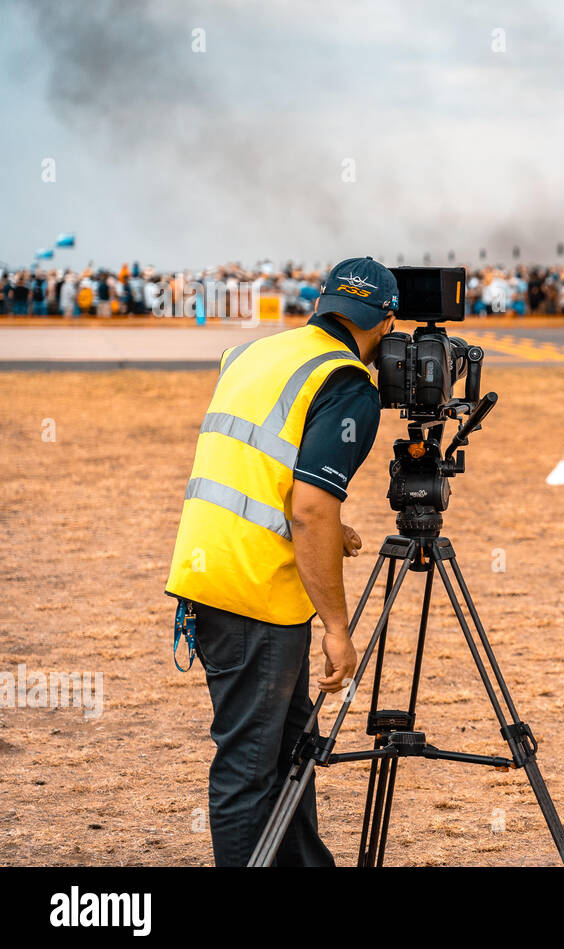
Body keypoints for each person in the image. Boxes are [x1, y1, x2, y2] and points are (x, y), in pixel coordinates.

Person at [165, 256, 397, 867]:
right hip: (256, 592)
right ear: (387, 322)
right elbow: (310, 509)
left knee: (290, 753)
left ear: (323, 305)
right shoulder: (347, 383)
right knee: (250, 768)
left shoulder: (257, 353)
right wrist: (340, 630)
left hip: (212, 570)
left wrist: (327, 526)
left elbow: (265, 472)